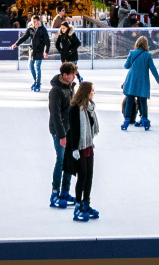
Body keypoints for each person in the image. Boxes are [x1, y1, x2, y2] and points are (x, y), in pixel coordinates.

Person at [64, 80, 100, 221]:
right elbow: (72, 130)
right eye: (92, 90)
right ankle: (78, 206)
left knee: (89, 175)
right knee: (82, 175)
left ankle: (86, 203)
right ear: (86, 92)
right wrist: (74, 149)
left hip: (88, 145)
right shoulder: (74, 109)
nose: (93, 92)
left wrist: (91, 115)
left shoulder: (89, 107)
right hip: (79, 146)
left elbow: (91, 127)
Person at [48, 61, 78, 209]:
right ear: (65, 75)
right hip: (59, 131)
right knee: (61, 161)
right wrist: (61, 135)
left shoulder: (71, 87)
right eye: (72, 75)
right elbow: (55, 114)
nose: (74, 77)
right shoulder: (56, 91)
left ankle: (65, 191)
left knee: (69, 161)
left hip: (70, 129)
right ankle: (55, 192)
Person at [121, 34, 159, 130]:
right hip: (143, 82)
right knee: (143, 101)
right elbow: (153, 68)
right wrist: (158, 80)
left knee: (130, 100)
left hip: (132, 81)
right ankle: (145, 120)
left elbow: (126, 66)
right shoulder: (147, 55)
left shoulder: (132, 53)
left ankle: (126, 121)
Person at [17, 14, 51, 92]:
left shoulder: (42, 29)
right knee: (30, 65)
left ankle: (38, 83)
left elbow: (47, 41)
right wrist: (16, 44)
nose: (33, 23)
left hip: (40, 50)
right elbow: (24, 37)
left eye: (35, 21)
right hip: (32, 50)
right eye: (32, 21)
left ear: (38, 21)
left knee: (38, 66)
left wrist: (46, 51)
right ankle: (36, 81)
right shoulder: (30, 29)